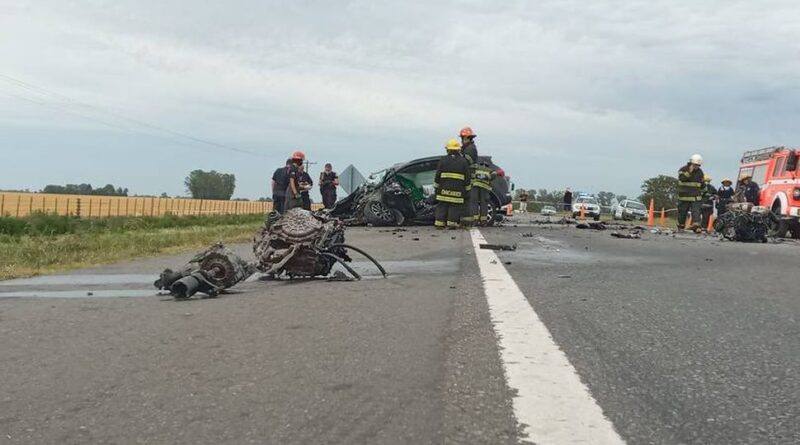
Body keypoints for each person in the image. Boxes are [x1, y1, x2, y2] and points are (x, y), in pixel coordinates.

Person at [435, 139, 470, 229]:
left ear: (448, 149)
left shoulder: (443, 160)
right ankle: (451, 223)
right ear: (458, 150)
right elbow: (467, 177)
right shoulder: (463, 161)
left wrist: (436, 187)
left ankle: (439, 223)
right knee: (454, 207)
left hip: (443, 190)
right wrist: (467, 190)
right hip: (457, 191)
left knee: (442, 206)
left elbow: (438, 175)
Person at [677, 154, 705, 232]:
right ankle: (681, 226)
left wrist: (704, 190)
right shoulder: (683, 169)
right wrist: (689, 171)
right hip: (684, 196)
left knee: (696, 211)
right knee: (682, 212)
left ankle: (696, 227)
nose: (697, 166)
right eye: (695, 165)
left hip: (696, 196)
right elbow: (682, 178)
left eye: (698, 165)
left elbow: (702, 184)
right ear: (691, 163)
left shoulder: (700, 172)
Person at [459, 126, 479, 226]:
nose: (461, 141)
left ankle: (467, 221)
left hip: (468, 178)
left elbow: (465, 163)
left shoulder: (470, 149)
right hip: (468, 178)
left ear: (466, 138)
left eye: (462, 138)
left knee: (467, 200)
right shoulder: (468, 148)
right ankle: (466, 220)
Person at [472, 161, 496, 225]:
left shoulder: (477, 168)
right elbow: (494, 175)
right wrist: (486, 177)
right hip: (484, 188)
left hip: (475, 186)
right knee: (484, 203)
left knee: (475, 203)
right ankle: (483, 221)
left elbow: (471, 175)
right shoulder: (490, 170)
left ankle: (475, 220)